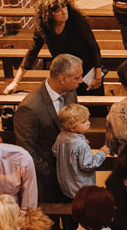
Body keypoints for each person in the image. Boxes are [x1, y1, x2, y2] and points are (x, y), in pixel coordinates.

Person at [6, 0, 103, 96]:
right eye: (58, 10)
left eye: (64, 7)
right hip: (65, 74)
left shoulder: (77, 23)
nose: (64, 12)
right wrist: (15, 82)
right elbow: (31, 54)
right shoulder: (44, 28)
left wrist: (98, 77)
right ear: (49, 14)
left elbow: (94, 49)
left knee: (93, 103)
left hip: (87, 72)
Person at [13, 52, 82, 201]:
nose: (81, 80)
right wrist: (55, 174)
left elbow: (76, 121)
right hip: (47, 181)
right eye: (77, 77)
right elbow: (27, 151)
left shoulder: (70, 93)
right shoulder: (29, 108)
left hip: (71, 174)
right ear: (63, 79)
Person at [53, 103, 109, 199]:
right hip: (81, 188)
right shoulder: (81, 145)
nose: (89, 123)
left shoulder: (61, 136)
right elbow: (88, 164)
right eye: (84, 122)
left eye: (88, 119)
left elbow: (55, 151)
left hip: (66, 184)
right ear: (71, 126)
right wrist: (101, 153)